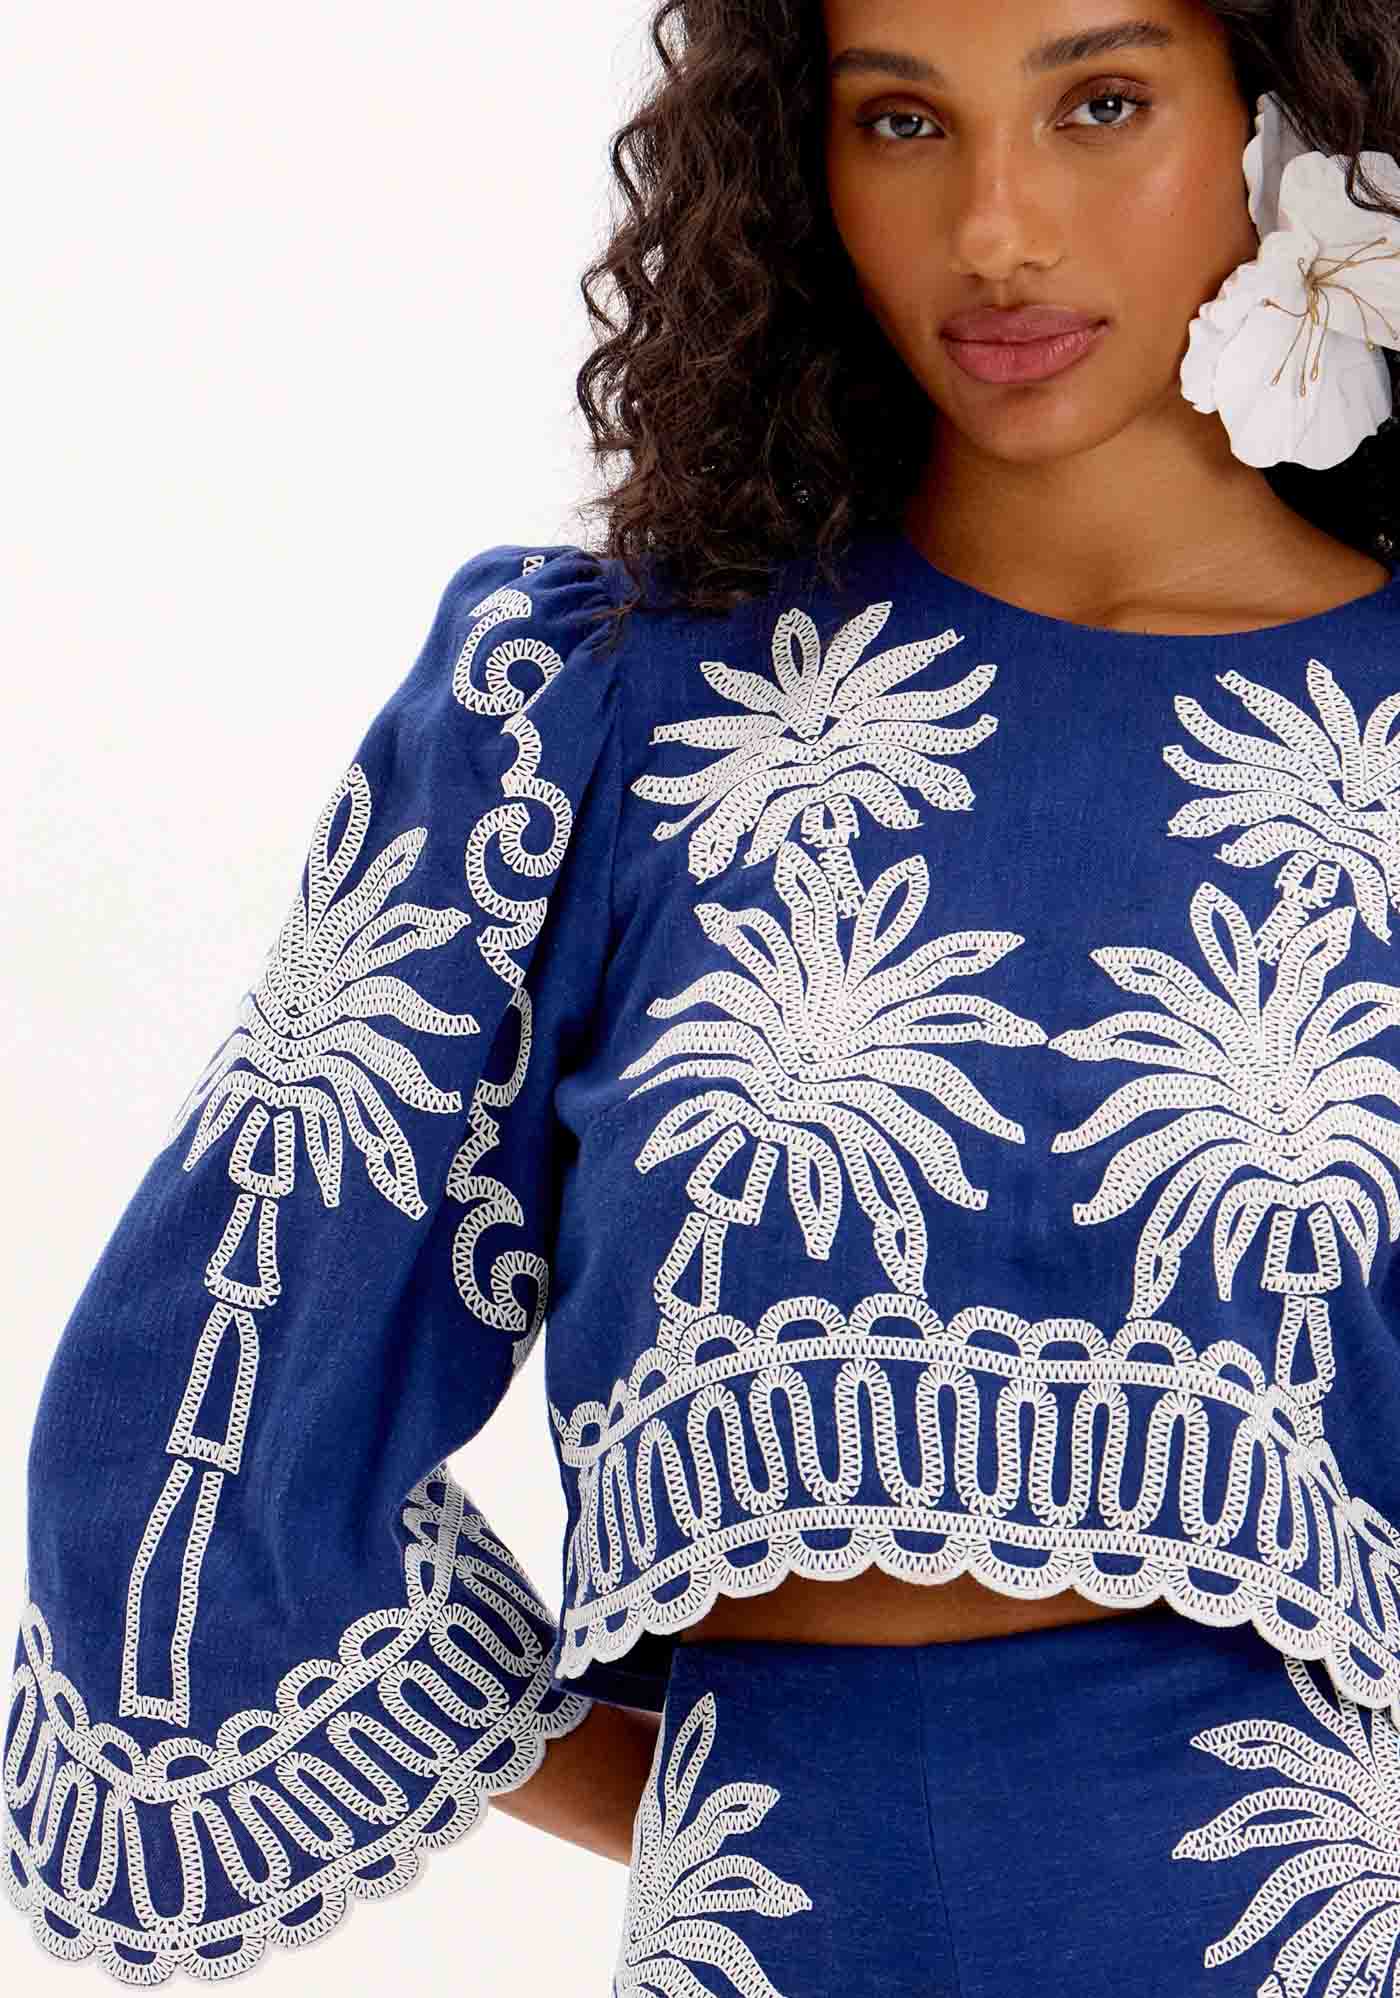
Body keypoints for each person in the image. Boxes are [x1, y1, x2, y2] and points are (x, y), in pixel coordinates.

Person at [8, 0, 1400, 1991]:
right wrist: (707, 1816)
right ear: (791, 164)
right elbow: (192, 1437)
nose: (996, 229)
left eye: (1100, 104)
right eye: (899, 120)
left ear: (1290, 121)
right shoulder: (599, 715)